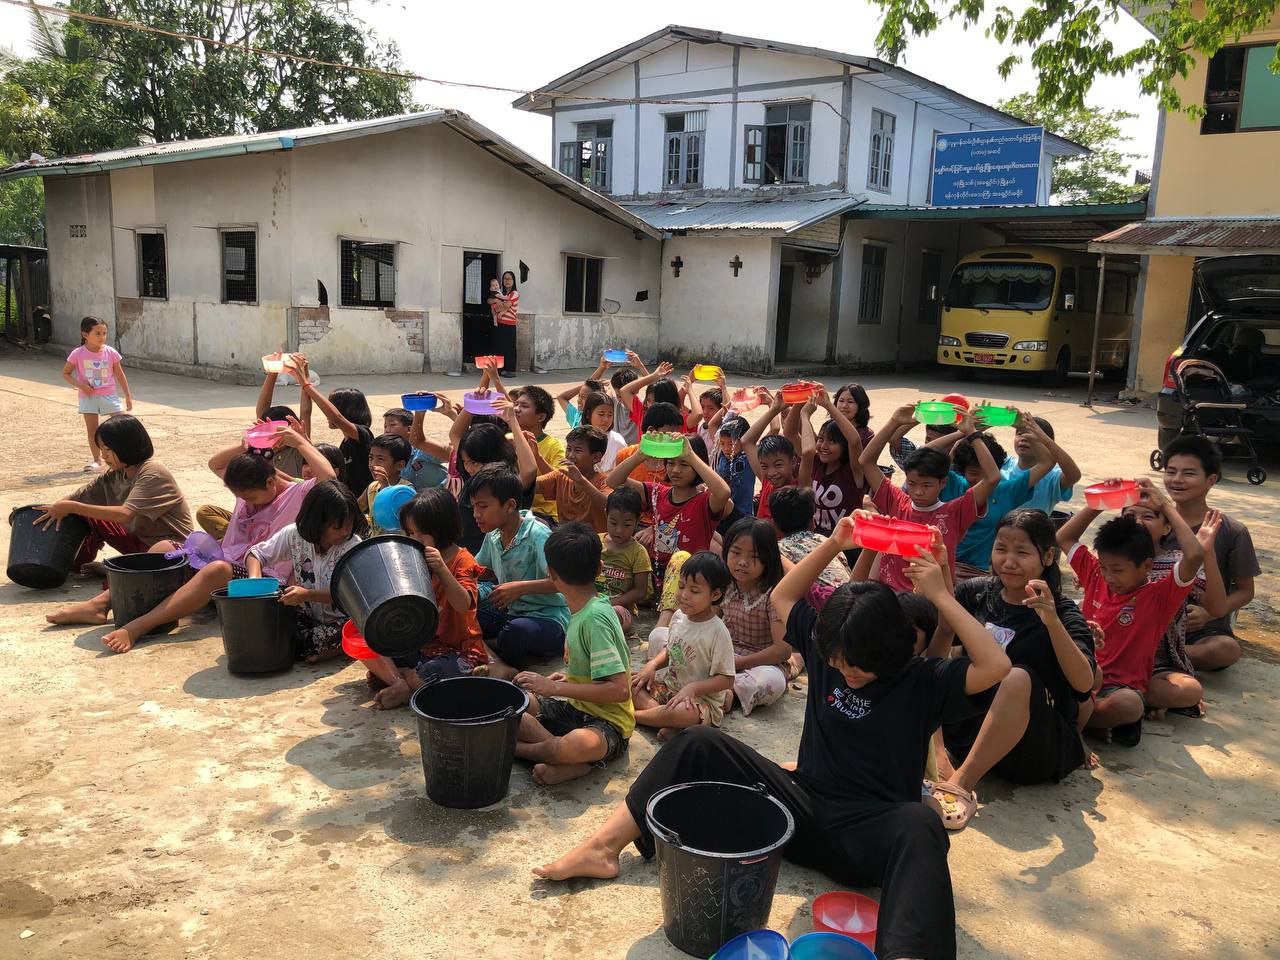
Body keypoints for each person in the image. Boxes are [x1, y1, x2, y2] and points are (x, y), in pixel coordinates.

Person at [535, 515, 1012, 960]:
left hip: (871, 837)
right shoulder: (831, 655)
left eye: (860, 667)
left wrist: (941, 593)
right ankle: (603, 847)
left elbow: (997, 667)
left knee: (922, 823)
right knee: (700, 742)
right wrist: (835, 542)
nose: (846, 672)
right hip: (798, 813)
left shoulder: (922, 680)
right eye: (838, 662)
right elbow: (784, 599)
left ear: (892, 650)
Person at [96, 424, 338, 653]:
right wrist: (247, 444)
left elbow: (328, 476)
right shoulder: (247, 485)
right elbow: (215, 463)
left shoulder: (298, 494)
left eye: (251, 498)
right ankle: (102, 604)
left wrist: (298, 442)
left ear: (271, 482)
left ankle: (139, 625)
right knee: (163, 548)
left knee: (218, 570)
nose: (246, 502)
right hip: (221, 560)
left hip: (260, 579)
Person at [935, 509, 1097, 829]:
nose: (1009, 561)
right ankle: (940, 761)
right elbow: (936, 659)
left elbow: (1083, 685)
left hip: (1032, 749)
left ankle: (960, 785)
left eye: (1022, 552)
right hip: (969, 732)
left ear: (1048, 555)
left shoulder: (1062, 612)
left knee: (1015, 675)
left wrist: (1051, 622)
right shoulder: (976, 592)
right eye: (1001, 549)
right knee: (941, 663)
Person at [1056, 479, 1204, 745]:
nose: (1109, 577)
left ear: (1147, 566)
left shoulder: (1159, 596)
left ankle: (1079, 720)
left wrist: (1166, 505)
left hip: (1119, 688)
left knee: (1129, 705)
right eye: (1105, 567)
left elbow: (1194, 556)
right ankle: (1088, 721)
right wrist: (1100, 501)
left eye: (1118, 570)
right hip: (1080, 676)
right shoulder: (1094, 575)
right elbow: (1064, 537)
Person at [41, 415, 193, 624]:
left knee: (163, 549)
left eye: (107, 449)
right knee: (82, 513)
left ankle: (99, 605)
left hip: (175, 553)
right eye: (101, 449)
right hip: (139, 543)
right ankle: (74, 565)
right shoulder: (115, 474)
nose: (103, 456)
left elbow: (125, 514)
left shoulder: (153, 472)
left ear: (126, 446)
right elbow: (77, 498)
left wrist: (73, 506)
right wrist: (58, 509)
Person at [512, 522, 631, 784]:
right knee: (515, 705)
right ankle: (565, 759)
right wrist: (568, 680)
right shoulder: (582, 610)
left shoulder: (595, 618)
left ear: (551, 573)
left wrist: (553, 689)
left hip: (607, 725)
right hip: (576, 709)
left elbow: (619, 690)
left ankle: (523, 750)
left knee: (575, 744)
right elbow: (593, 673)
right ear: (600, 568)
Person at [367, 489, 487, 708]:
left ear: (441, 529)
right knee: (374, 648)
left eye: (420, 533)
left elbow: (464, 604)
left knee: (431, 673)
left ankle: (406, 684)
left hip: (459, 652)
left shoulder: (462, 560)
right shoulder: (416, 558)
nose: (414, 539)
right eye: (410, 533)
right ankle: (404, 680)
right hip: (423, 647)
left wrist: (441, 568)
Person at [859, 403, 999, 592]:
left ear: (943, 483)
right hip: (889, 595)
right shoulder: (898, 501)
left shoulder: (954, 512)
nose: (917, 492)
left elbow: (992, 477)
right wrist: (894, 422)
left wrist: (972, 434)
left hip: (931, 601)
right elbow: (866, 461)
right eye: (912, 483)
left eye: (927, 485)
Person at [1161, 435, 1259, 671]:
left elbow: (1245, 591)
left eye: (1189, 473)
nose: (1177, 480)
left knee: (1225, 650)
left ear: (1210, 480)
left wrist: (1208, 613)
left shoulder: (1231, 530)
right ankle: (1161, 653)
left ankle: (1161, 655)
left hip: (1204, 630)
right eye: (1171, 471)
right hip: (1156, 621)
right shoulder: (1153, 523)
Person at [245, 479, 363, 661]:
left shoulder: (353, 546)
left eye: (349, 524)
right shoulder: (294, 534)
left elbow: (350, 594)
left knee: (346, 633)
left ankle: (335, 648)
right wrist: (255, 580)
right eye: (337, 526)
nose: (345, 532)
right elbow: (256, 554)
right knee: (271, 631)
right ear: (318, 522)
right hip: (307, 615)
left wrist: (308, 594)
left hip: (344, 620)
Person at [471, 465, 570, 678]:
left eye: (483, 507)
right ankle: (494, 651)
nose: (476, 514)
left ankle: (487, 648)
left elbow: (561, 582)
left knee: (514, 634)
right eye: (473, 507)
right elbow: (481, 570)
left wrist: (519, 589)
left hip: (548, 618)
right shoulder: (493, 535)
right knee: (463, 610)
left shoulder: (537, 534)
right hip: (512, 614)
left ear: (509, 506)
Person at [1128, 499, 1224, 717]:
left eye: (1148, 516)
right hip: (1115, 656)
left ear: (1167, 527)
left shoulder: (1179, 562)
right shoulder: (1112, 559)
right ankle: (1129, 698)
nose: (1137, 522)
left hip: (1159, 664)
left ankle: (1129, 697)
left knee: (1187, 690)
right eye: (1130, 515)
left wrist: (1206, 552)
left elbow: (1217, 608)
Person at [605, 433, 732, 598]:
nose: (675, 470)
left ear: (697, 464)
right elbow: (613, 481)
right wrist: (640, 455)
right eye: (670, 463)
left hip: (688, 580)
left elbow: (724, 492)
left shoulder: (705, 502)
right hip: (656, 576)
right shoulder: (657, 493)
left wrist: (691, 456)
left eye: (684, 464)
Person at [631, 551, 736, 738]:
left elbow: (727, 680)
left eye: (694, 591)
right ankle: (663, 719)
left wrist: (693, 688)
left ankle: (635, 717)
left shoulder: (718, 632)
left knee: (685, 714)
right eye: (681, 586)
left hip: (698, 702)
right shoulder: (678, 617)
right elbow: (671, 651)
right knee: (631, 683)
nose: (684, 595)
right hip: (669, 689)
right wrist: (652, 665)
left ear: (715, 594)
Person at [719, 517, 794, 716]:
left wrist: (737, 664)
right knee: (661, 637)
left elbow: (782, 650)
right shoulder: (723, 584)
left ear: (767, 559)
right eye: (735, 553)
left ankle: (729, 695)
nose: (742, 562)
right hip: (724, 655)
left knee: (771, 682)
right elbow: (708, 621)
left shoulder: (774, 595)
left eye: (754, 556)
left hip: (760, 664)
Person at [952, 429, 1050, 576]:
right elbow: (929, 457)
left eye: (987, 472)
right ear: (962, 470)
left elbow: (1047, 462)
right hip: (949, 567)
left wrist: (1029, 432)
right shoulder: (953, 484)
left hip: (987, 572)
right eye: (973, 473)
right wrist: (965, 432)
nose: (982, 480)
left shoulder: (1007, 491)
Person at [448, 399, 538, 552]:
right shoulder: (473, 472)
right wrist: (471, 404)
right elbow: (455, 434)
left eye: (474, 463)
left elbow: (530, 470)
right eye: (465, 462)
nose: (469, 468)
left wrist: (513, 422)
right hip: (467, 557)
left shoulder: (506, 481)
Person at [291, 355, 375, 495]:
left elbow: (336, 418)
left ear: (347, 410)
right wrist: (304, 380)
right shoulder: (345, 443)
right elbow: (305, 413)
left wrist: (306, 384)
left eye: (332, 406)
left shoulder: (363, 434)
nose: (326, 414)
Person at [788, 386, 865, 536]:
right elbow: (790, 433)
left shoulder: (853, 471)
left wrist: (828, 405)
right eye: (821, 439)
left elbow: (855, 441)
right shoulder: (817, 463)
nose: (823, 446)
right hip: (818, 540)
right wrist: (799, 399)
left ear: (844, 446)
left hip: (847, 544)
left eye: (831, 441)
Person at [63, 316, 132, 472]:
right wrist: (82, 386)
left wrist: (127, 396)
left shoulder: (111, 352)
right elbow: (66, 373)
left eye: (104, 333)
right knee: (92, 431)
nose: (102, 337)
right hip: (88, 397)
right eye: (98, 333)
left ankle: (124, 457)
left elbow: (120, 375)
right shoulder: (77, 353)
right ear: (85, 335)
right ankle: (97, 461)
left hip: (109, 395)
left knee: (123, 425)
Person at [769, 485, 851, 610]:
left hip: (823, 614)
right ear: (813, 521)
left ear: (774, 524)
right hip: (851, 604)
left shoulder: (779, 553)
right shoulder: (828, 542)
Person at [611, 402, 688, 534]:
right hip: (628, 522)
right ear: (651, 431)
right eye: (669, 435)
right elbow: (612, 483)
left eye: (677, 435)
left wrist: (654, 529)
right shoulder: (626, 455)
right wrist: (640, 456)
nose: (673, 440)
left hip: (666, 525)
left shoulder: (675, 464)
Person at [743, 390, 811, 521]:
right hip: (763, 541)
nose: (772, 472)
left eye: (778, 465)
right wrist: (774, 409)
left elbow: (808, 453)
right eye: (764, 466)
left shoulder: (800, 488)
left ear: (793, 462)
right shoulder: (766, 482)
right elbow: (746, 441)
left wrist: (800, 408)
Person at [534, 426, 611, 532]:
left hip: (594, 542)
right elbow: (528, 486)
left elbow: (610, 505)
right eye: (569, 449)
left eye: (578, 450)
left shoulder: (605, 482)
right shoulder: (561, 475)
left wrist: (581, 481)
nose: (570, 455)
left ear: (596, 457)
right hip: (565, 539)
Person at [596, 487, 652, 634]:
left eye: (627, 525)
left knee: (615, 615)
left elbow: (640, 591)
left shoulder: (638, 552)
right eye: (613, 523)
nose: (619, 530)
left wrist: (611, 603)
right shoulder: (595, 542)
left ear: (637, 521)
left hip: (621, 608)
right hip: (591, 601)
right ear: (606, 515)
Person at [1002, 415, 1080, 516]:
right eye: (1020, 433)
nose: (1024, 438)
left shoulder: (1053, 476)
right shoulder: (1004, 463)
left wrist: (1047, 441)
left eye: (1032, 435)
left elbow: (1074, 476)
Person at [508, 385, 563, 523]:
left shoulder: (553, 445)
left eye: (524, 406)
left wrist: (538, 458)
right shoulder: (508, 439)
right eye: (516, 404)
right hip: (512, 509)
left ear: (541, 417)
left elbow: (560, 484)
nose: (516, 409)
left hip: (543, 515)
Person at [383, 407, 448, 493]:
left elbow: (449, 456)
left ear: (409, 429)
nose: (387, 430)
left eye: (392, 425)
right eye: (385, 426)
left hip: (440, 497)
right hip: (414, 501)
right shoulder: (391, 456)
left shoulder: (424, 450)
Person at [359, 433, 412, 536]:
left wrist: (385, 488)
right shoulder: (372, 487)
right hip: (376, 544)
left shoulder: (405, 490)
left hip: (398, 545)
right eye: (371, 458)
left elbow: (399, 523)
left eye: (381, 459)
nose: (373, 464)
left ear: (400, 465)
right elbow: (356, 508)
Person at [714, 416, 755, 516]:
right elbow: (712, 425)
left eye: (731, 444)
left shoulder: (749, 458)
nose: (726, 448)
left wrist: (771, 405)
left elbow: (774, 429)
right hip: (722, 513)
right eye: (722, 443)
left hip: (743, 514)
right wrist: (729, 413)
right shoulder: (720, 456)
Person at [486, 271, 521, 375]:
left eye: (509, 278)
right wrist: (496, 301)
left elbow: (505, 306)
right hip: (500, 323)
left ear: (513, 281)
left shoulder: (514, 293)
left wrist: (497, 303)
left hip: (509, 325)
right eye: (505, 279)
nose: (507, 281)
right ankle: (500, 370)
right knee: (500, 347)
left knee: (509, 348)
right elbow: (489, 300)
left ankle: (510, 370)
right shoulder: (501, 293)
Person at [832, 382, 874, 448]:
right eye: (841, 401)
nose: (844, 406)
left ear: (860, 406)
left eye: (850, 402)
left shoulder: (867, 435)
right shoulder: (829, 428)